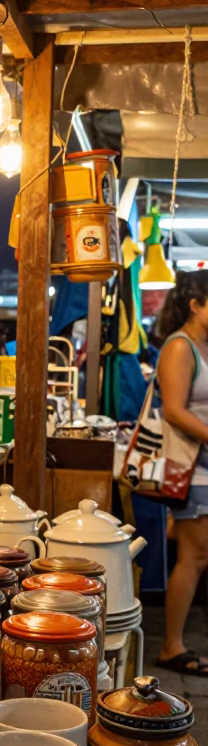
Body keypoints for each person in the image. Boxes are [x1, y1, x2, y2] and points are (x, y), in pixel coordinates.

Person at [155, 272, 208, 676]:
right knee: (194, 556)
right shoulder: (180, 346)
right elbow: (174, 410)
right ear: (196, 304)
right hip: (194, 467)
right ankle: (171, 646)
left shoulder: (202, 347)